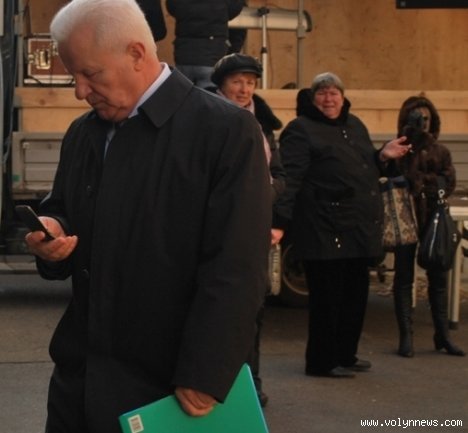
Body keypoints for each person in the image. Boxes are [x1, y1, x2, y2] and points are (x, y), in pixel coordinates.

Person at [24, 1, 272, 432]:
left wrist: (205, 374)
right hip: (78, 384)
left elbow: (237, 268)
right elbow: (62, 207)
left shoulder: (225, 132)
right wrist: (53, 234)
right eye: (73, 76)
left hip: (168, 390)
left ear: (137, 53)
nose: (80, 91)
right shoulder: (84, 133)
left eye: (90, 74)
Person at [272, 72, 410, 378]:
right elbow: (290, 178)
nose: (328, 99)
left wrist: (383, 156)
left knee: (355, 296)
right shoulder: (300, 129)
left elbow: (365, 166)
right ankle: (320, 362)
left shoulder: (355, 125)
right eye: (322, 93)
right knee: (327, 300)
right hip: (324, 227)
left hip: (358, 227)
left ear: (343, 97)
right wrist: (279, 221)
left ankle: (346, 354)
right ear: (313, 99)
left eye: (334, 93)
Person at [211, 53, 286, 406]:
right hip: (219, 229)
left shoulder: (264, 125)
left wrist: (265, 198)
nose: (244, 89)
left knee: (252, 309)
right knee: (218, 311)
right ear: (221, 84)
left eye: (250, 83)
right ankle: (216, 383)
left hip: (255, 229)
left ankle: (251, 383)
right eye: (237, 82)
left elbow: (281, 175)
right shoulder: (207, 119)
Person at [390, 95, 465, 358]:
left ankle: (442, 335)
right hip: (405, 217)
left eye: (426, 118)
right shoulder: (399, 149)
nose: (422, 122)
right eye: (417, 118)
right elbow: (395, 180)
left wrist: (423, 182)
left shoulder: (440, 151)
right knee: (403, 277)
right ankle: (406, 336)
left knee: (438, 276)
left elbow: (449, 182)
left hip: (433, 217)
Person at [166, 0, 244, 89]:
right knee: (208, 95)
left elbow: (172, 6)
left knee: (183, 95)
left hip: (184, 56)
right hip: (211, 56)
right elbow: (235, 7)